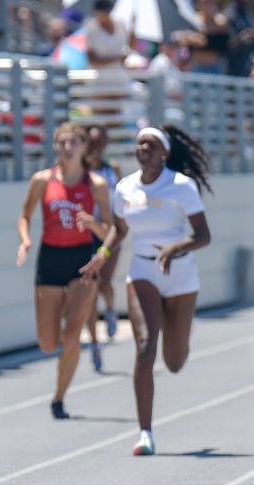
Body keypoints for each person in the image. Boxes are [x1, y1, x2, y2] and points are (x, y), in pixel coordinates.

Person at [81, 125, 212, 456]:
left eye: (151, 145)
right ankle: (145, 433)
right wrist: (103, 254)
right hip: (142, 271)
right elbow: (119, 228)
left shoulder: (181, 186)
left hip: (179, 274)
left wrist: (174, 248)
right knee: (144, 346)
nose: (143, 149)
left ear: (164, 153)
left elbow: (203, 235)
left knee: (175, 362)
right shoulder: (125, 187)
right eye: (140, 144)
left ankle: (182, 329)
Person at [16, 123, 112, 419]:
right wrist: (25, 239)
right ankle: (66, 349)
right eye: (62, 143)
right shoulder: (42, 180)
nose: (67, 148)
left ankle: (58, 398)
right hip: (50, 259)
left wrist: (93, 225)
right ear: (55, 146)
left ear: (83, 148)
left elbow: (110, 231)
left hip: (82, 261)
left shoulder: (95, 184)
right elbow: (24, 215)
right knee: (48, 343)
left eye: (73, 143)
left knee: (72, 335)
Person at [83, 123, 123, 371]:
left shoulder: (112, 169)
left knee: (104, 282)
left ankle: (109, 310)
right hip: (86, 236)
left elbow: (123, 200)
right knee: (89, 289)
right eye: (92, 141)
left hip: (108, 236)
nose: (96, 146)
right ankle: (95, 343)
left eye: (101, 141)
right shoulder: (81, 171)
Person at [84, 0, 129, 73]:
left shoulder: (120, 24)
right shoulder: (91, 29)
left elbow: (130, 46)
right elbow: (92, 60)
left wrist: (134, 26)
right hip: (99, 74)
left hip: (119, 73)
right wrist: (117, 59)